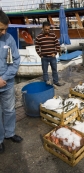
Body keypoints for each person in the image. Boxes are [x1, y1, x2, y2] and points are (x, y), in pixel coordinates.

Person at [0, 10, 23, 154]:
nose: (3, 32)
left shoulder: (9, 39)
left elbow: (15, 61)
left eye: (5, 29)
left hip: (7, 83)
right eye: (1, 29)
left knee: (9, 110)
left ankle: (9, 133)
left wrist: (4, 78)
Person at [35, 21, 64, 87]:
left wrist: (55, 53)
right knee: (45, 72)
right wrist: (40, 55)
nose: (47, 30)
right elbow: (37, 47)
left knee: (54, 70)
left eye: (48, 29)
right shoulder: (39, 37)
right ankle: (46, 83)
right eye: (46, 29)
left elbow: (57, 45)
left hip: (52, 57)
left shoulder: (53, 35)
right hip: (44, 57)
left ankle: (56, 82)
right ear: (42, 28)